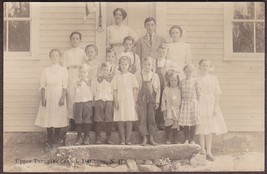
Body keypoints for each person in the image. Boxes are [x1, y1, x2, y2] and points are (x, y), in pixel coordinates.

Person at [35, 49, 68, 152]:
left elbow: (65, 86)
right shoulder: (46, 70)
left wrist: (63, 98)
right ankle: (49, 140)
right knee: (48, 118)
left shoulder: (63, 70)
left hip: (58, 96)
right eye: (52, 56)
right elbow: (43, 85)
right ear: (50, 57)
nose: (54, 58)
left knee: (58, 118)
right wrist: (43, 98)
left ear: (60, 57)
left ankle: (56, 140)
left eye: (57, 56)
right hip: (48, 95)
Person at [196, 59, 227, 161]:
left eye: (207, 66)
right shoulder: (197, 79)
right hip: (201, 102)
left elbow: (217, 94)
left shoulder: (213, 78)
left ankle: (209, 151)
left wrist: (215, 108)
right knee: (201, 127)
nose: (205, 68)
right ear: (199, 67)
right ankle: (202, 150)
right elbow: (195, 94)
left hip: (211, 103)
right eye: (203, 66)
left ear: (209, 67)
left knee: (209, 128)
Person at [113, 56, 139, 145]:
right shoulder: (117, 77)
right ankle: (122, 139)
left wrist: (135, 101)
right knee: (120, 119)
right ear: (119, 65)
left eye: (126, 64)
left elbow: (135, 90)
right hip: (120, 99)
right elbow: (115, 90)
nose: (124, 66)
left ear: (129, 65)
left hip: (129, 99)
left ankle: (128, 139)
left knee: (129, 119)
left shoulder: (132, 76)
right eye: (122, 64)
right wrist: (115, 100)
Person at [63, 32, 87, 129]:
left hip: (80, 74)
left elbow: (85, 66)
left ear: (80, 40)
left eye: (77, 38)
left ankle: (80, 121)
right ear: (70, 40)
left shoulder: (83, 52)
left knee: (80, 96)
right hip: (70, 74)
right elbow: (64, 67)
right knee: (71, 96)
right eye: (73, 38)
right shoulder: (66, 53)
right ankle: (72, 120)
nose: (75, 40)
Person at [136, 57, 161, 146]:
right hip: (142, 99)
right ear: (142, 65)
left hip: (152, 100)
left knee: (151, 118)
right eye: (145, 64)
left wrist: (157, 102)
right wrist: (136, 101)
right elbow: (136, 89)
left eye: (149, 64)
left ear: (152, 65)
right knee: (142, 118)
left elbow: (158, 90)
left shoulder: (155, 76)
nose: (147, 66)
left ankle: (151, 137)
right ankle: (144, 138)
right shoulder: (138, 75)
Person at [155, 43, 179, 130]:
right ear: (157, 52)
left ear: (166, 52)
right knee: (156, 105)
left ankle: (164, 123)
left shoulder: (169, 62)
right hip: (156, 86)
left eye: (163, 52)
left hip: (165, 86)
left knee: (164, 105)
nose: (161, 53)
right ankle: (157, 123)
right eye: (160, 51)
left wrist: (172, 72)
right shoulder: (154, 61)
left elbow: (177, 70)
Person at [178, 64, 201, 145]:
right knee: (186, 123)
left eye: (190, 72)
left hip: (193, 103)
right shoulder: (182, 81)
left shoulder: (195, 81)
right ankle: (186, 139)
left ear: (192, 72)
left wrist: (198, 103)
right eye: (186, 72)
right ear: (184, 72)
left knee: (193, 122)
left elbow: (199, 93)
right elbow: (179, 92)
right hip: (184, 103)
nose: (188, 73)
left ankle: (192, 139)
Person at [93, 62, 114, 144]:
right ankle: (98, 137)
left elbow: (113, 90)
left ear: (110, 71)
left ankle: (108, 137)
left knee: (109, 118)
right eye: (104, 69)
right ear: (101, 69)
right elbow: (93, 90)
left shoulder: (112, 80)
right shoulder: (97, 79)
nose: (105, 71)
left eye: (107, 70)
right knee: (98, 119)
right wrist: (94, 99)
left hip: (109, 100)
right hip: (99, 99)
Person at [73, 65, 93, 145]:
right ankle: (79, 136)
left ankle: (86, 136)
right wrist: (78, 83)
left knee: (87, 119)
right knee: (78, 119)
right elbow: (74, 91)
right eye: (81, 72)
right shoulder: (76, 81)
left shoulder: (90, 81)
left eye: (84, 72)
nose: (82, 74)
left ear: (88, 73)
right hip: (78, 101)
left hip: (87, 101)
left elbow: (93, 91)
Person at [161, 71, 182, 144]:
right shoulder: (166, 89)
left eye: (175, 80)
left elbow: (180, 100)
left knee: (176, 125)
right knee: (168, 124)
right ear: (169, 81)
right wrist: (164, 110)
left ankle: (175, 139)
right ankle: (168, 139)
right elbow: (163, 100)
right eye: (172, 80)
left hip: (176, 109)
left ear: (178, 81)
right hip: (169, 109)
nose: (173, 82)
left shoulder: (179, 90)